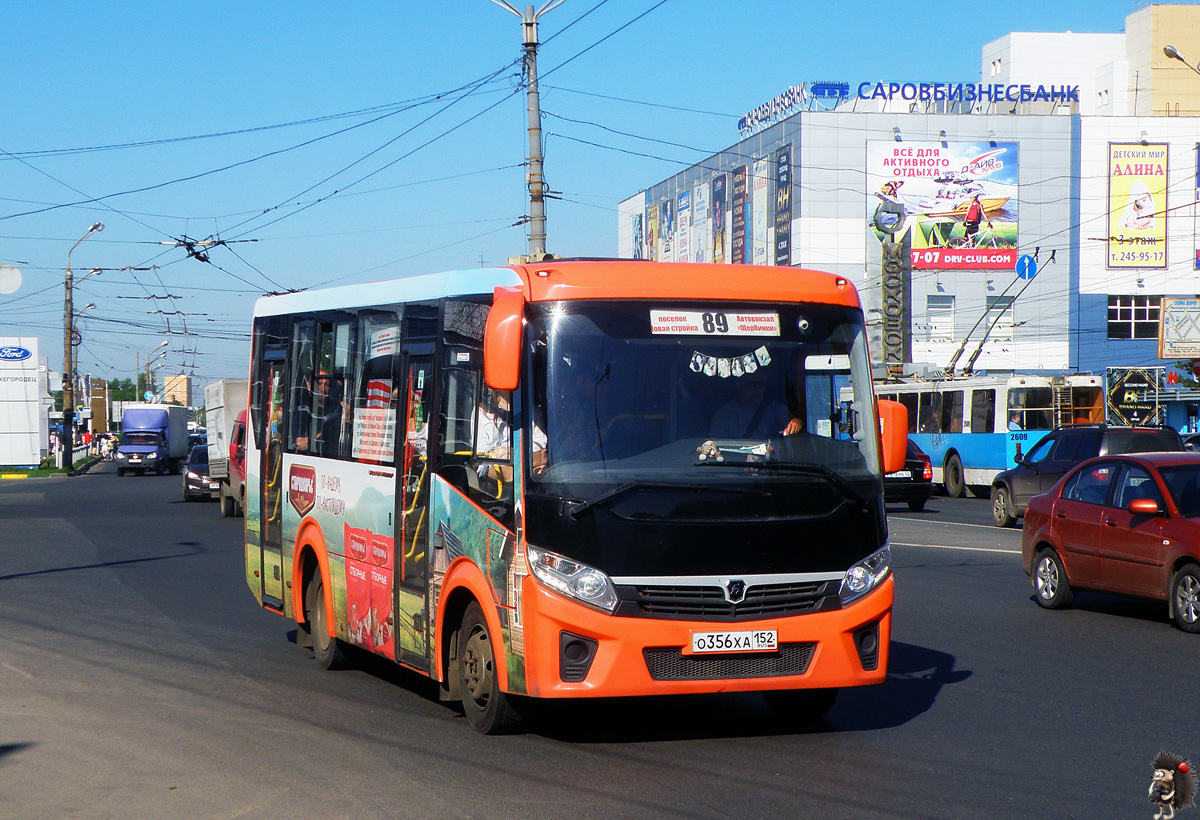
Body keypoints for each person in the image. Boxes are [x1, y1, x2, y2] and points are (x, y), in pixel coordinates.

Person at [710, 372, 800, 439]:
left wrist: (797, 422)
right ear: (738, 385)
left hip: (768, 462)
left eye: (761, 385)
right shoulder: (724, 415)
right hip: (735, 462)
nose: (757, 389)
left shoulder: (775, 410)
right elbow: (715, 445)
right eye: (751, 384)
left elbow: (795, 425)